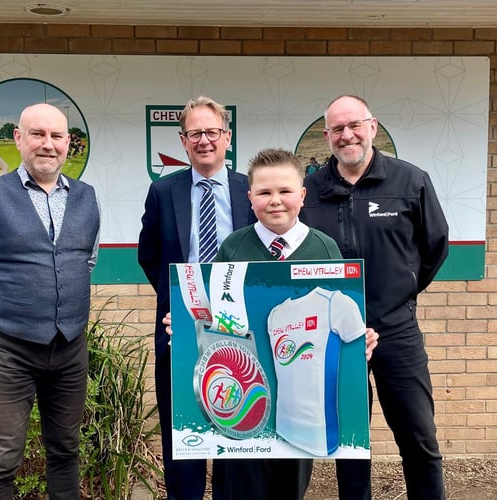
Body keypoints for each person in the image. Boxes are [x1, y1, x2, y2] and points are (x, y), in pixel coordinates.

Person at [0, 103, 100, 499]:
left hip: (70, 349)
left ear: (68, 143)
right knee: (1, 459)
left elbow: (87, 260)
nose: (47, 144)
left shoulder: (87, 197)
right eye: (38, 134)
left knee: (66, 451)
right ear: (19, 139)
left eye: (56, 136)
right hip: (8, 352)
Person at [300, 95, 449, 500]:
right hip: (334, 335)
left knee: (419, 438)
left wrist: (401, 293)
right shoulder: (307, 191)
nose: (346, 135)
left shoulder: (410, 181)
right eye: (336, 129)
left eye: (354, 125)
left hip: (395, 329)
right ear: (327, 135)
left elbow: (434, 247)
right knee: (351, 443)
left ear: (373, 126)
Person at [210, 147, 379, 500]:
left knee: (289, 488)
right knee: (240, 488)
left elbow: (344, 324)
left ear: (302, 195)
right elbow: (218, 319)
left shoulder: (325, 248)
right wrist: (183, 323)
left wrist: (359, 342)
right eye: (264, 192)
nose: (275, 201)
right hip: (246, 398)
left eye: (285, 191)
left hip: (303, 411)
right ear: (250, 198)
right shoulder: (232, 247)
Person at [137, 96, 256, 500]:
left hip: (242, 329)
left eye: (211, 132)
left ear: (227, 136)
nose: (203, 140)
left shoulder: (250, 189)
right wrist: (177, 304)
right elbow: (149, 254)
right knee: (183, 432)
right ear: (183, 141)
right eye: (194, 133)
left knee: (235, 427)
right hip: (179, 331)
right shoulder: (162, 191)